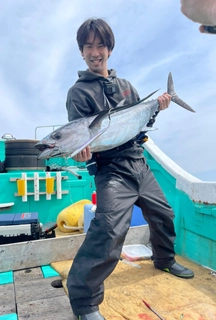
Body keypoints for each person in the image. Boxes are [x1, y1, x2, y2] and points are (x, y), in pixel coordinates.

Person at [66, 18, 194, 320]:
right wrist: (81, 152)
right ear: (82, 52)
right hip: (111, 171)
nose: (95, 52)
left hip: (139, 163)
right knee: (108, 231)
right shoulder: (78, 93)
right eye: (88, 47)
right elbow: (79, 135)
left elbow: (141, 124)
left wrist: (158, 107)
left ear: (109, 49)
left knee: (164, 214)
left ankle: (164, 259)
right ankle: (84, 303)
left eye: (100, 45)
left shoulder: (126, 87)